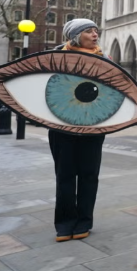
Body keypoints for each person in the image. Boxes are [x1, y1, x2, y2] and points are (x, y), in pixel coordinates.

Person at [50, 19, 107, 242]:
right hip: (61, 127)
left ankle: (84, 221)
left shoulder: (104, 60)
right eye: (89, 31)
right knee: (65, 175)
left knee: (89, 175)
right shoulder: (56, 59)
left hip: (93, 125)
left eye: (96, 31)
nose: (95, 35)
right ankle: (64, 223)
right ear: (75, 36)